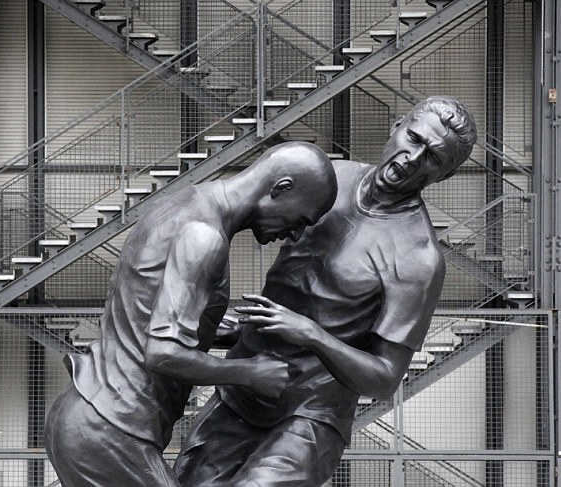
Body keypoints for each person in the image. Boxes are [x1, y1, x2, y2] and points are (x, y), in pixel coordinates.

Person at [174, 95, 478, 487]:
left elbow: (385, 379)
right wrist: (240, 326)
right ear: (397, 125)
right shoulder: (327, 177)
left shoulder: (418, 258)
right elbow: (245, 216)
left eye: (433, 157)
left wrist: (311, 334)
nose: (413, 158)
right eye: (415, 138)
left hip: (311, 416)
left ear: (445, 175)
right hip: (243, 384)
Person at [44, 141, 338, 487]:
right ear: (281, 188)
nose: (296, 234)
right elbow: (162, 353)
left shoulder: (183, 203)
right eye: (301, 220)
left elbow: (143, 312)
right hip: (109, 428)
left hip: (92, 417)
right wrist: (249, 372)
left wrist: (227, 332)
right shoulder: (204, 237)